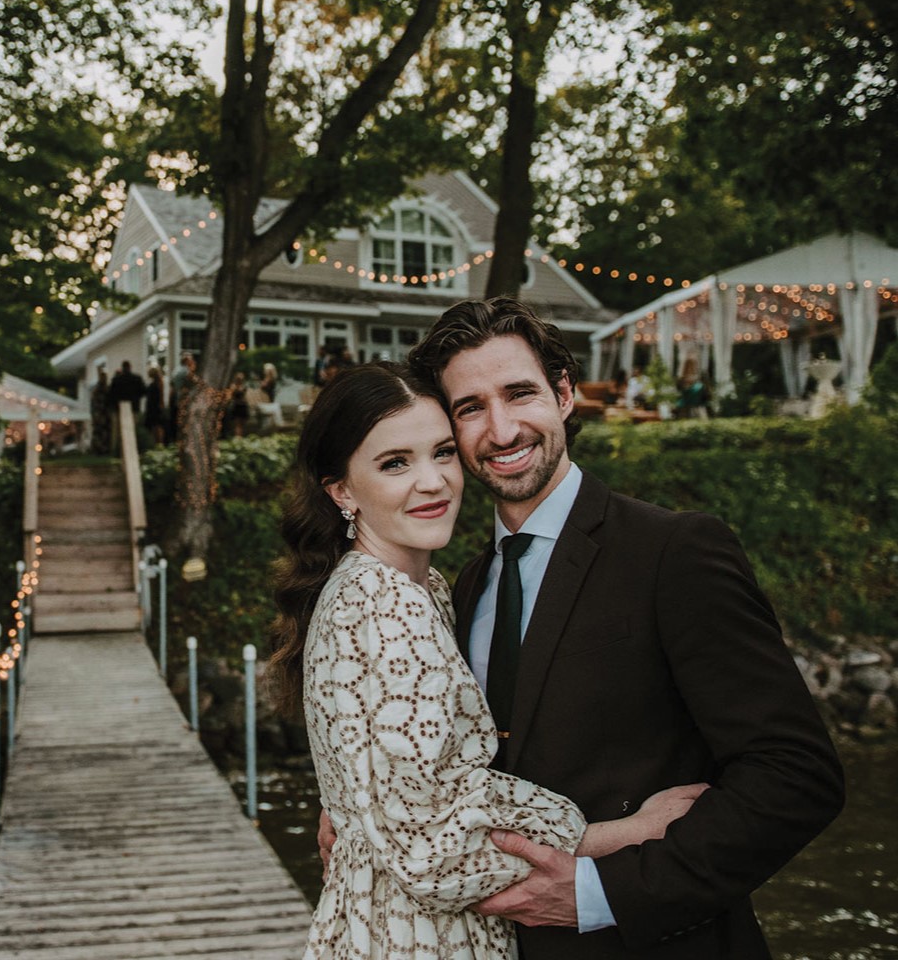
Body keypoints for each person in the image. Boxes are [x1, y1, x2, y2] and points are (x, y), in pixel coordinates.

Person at [400, 297, 844, 958]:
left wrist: (598, 893)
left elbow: (796, 776)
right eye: (470, 408)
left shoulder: (675, 552)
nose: (501, 430)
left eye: (520, 394)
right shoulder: (465, 586)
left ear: (564, 394)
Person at [272, 362, 705, 960]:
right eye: (395, 463)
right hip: (420, 938)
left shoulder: (423, 588)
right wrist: (621, 835)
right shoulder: (385, 604)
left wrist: (355, 809)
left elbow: (407, 779)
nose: (432, 482)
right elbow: (429, 845)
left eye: (443, 453)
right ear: (340, 490)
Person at [106, 360, 146, 453]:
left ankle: (117, 450)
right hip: (134, 407)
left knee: (117, 431)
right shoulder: (137, 378)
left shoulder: (116, 380)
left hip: (119, 408)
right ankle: (133, 449)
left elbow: (111, 395)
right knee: (133, 429)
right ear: (130, 367)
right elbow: (143, 391)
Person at [89, 367, 110, 455]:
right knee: (99, 432)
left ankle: (103, 449)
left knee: (104, 433)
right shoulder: (98, 389)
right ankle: (98, 449)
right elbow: (94, 402)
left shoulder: (105, 389)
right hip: (99, 414)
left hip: (104, 414)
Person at [144, 366, 166, 446]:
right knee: (157, 426)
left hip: (153, 407)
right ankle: (158, 443)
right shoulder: (159, 382)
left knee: (156, 426)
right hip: (156, 406)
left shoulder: (155, 384)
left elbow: (159, 396)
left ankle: (158, 443)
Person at [228, 370, 250, 438]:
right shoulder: (233, 386)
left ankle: (240, 437)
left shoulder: (244, 386)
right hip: (237, 406)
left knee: (242, 424)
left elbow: (245, 396)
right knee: (237, 424)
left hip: (243, 406)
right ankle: (238, 438)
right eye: (239, 378)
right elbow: (231, 396)